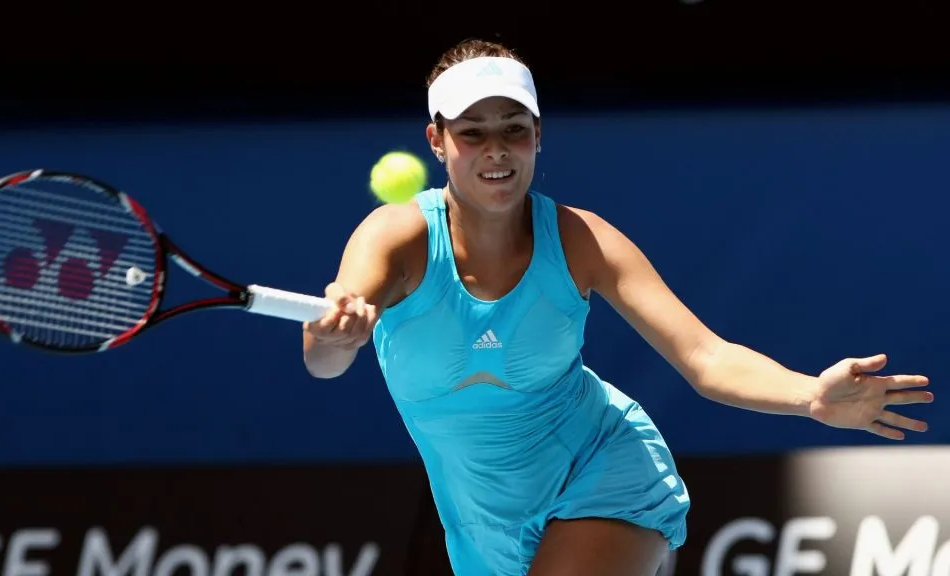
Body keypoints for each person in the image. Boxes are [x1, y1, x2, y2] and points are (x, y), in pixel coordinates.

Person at [301, 39, 934, 576]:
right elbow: (323, 360)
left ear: (537, 135)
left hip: (605, 471)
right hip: (482, 523)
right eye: (473, 133)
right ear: (437, 141)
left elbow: (704, 356)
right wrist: (338, 335)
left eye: (513, 130)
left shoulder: (582, 241)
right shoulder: (396, 237)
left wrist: (811, 398)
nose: (496, 149)